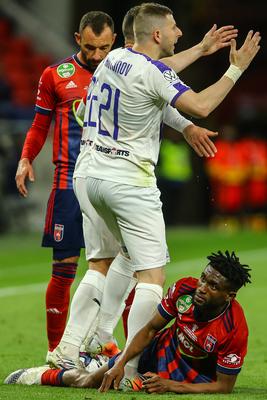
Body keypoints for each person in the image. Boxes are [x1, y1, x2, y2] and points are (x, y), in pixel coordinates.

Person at [67, 2, 259, 383]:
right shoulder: (150, 70)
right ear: (157, 35)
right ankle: (129, 371)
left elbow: (153, 78)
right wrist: (236, 68)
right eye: (173, 28)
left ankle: (93, 341)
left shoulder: (116, 58)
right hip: (128, 182)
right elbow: (201, 104)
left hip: (92, 178)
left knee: (118, 256)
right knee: (152, 277)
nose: (179, 33)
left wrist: (201, 54)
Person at [5, 250, 252, 395]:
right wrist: (122, 363)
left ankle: (98, 361)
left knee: (126, 387)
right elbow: (151, 329)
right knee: (91, 381)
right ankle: (42, 375)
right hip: (160, 350)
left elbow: (224, 386)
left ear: (229, 296)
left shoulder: (234, 329)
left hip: (193, 376)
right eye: (203, 279)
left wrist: (172, 385)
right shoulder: (184, 289)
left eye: (213, 286)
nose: (201, 288)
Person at [14, 11, 117, 353]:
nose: (98, 55)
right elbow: (40, 124)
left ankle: (111, 348)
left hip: (111, 182)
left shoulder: (124, 72)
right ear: (78, 40)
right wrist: (27, 156)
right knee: (63, 269)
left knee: (119, 269)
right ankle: (58, 351)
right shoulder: (56, 75)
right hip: (68, 183)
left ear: (114, 41)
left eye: (104, 47)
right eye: (90, 48)